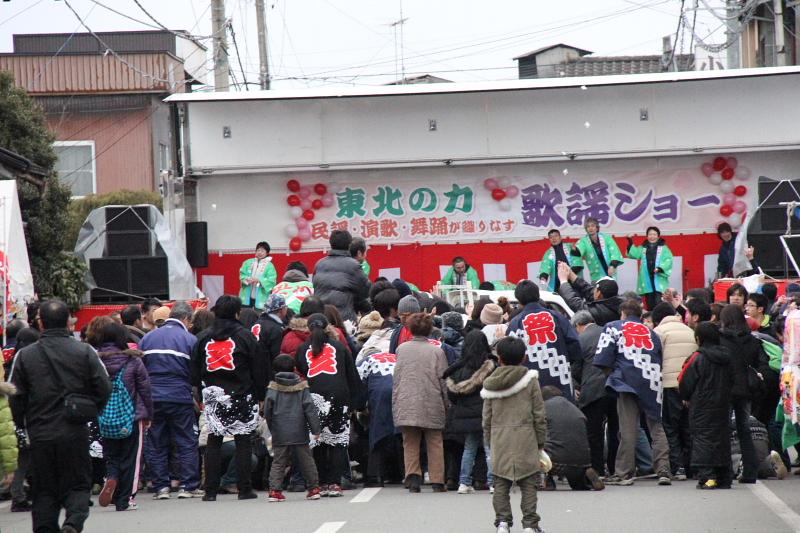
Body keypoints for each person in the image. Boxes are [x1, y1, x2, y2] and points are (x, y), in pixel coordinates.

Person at [9, 299, 111, 533]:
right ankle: (73, 522)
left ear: (40, 323)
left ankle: (46, 528)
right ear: (68, 322)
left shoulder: (25, 356)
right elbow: (104, 386)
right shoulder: (84, 351)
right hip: (74, 430)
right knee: (77, 484)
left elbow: (15, 395)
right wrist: (91, 408)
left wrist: (22, 425)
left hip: (40, 432)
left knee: (44, 489)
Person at [192, 295, 265, 501]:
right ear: (237, 312)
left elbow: (195, 368)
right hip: (242, 393)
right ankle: (244, 488)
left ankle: (210, 491)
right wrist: (260, 395)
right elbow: (258, 367)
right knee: (243, 441)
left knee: (214, 440)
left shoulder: (203, 337)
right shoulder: (245, 336)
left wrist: (198, 390)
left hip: (213, 394)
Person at [594, 299, 672, 486]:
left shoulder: (613, 327)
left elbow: (601, 358)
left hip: (626, 381)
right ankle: (663, 470)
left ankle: (625, 473)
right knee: (656, 425)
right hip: (652, 379)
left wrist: (614, 377)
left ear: (622, 313)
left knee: (628, 428)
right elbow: (659, 358)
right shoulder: (652, 333)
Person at [481, 337, 546, 533]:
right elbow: (539, 414)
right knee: (529, 483)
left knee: (500, 481)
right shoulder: (530, 381)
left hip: (499, 438)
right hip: (526, 436)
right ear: (524, 357)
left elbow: (487, 418)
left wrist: (489, 440)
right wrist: (540, 441)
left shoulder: (490, 384)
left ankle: (502, 522)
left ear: (499, 358)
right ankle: (530, 524)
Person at [139, 301, 203, 500]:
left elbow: (140, 369)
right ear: (186, 319)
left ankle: (161, 487)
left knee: (156, 442)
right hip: (180, 396)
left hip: (153, 396)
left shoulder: (147, 338)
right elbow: (195, 372)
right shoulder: (189, 339)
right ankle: (188, 485)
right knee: (186, 441)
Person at [295, 313, 361, 498]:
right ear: (327, 327)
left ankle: (321, 482)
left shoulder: (302, 349)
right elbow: (351, 374)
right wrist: (357, 402)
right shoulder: (339, 347)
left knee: (318, 441)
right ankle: (335, 483)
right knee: (338, 440)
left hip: (314, 397)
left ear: (308, 328)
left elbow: (301, 368)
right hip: (339, 396)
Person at [95, 322, 153, 512]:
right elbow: (145, 390)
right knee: (131, 458)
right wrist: (149, 414)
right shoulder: (133, 361)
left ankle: (111, 477)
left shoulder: (95, 360)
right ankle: (125, 499)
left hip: (105, 415)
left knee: (112, 456)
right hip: (131, 416)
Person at [392, 313, 449, 493]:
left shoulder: (402, 349)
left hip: (406, 399)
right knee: (435, 441)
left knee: (410, 442)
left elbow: (397, 377)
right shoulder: (437, 351)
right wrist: (447, 402)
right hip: (431, 399)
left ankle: (413, 478)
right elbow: (443, 380)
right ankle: (438, 480)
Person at [678, 322, 734, 489]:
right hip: (723, 404)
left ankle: (708, 477)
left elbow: (684, 381)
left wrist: (685, 396)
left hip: (702, 404)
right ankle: (724, 477)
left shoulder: (697, 357)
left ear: (698, 338)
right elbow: (733, 378)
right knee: (722, 438)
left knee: (702, 438)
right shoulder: (727, 356)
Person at [443, 330, 497, 495]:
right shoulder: (490, 366)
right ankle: (493, 482)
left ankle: (464, 482)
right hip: (487, 412)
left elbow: (452, 396)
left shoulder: (457, 369)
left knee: (469, 447)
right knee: (489, 447)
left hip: (466, 415)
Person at [507, 280, 581, 398]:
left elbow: (510, 354)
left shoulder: (515, 324)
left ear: (519, 300)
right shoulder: (557, 317)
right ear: (538, 295)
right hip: (560, 374)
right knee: (564, 411)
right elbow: (575, 344)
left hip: (530, 380)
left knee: (537, 413)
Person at [265, 354, 322, 502]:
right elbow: (310, 408)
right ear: (294, 368)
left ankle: (275, 491)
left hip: (280, 430)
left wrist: (272, 428)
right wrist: (316, 429)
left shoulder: (272, 388)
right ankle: (314, 488)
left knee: (278, 461)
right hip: (299, 429)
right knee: (306, 460)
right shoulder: (302, 387)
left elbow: (267, 411)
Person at [652, 302, 697, 480]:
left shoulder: (659, 332)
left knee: (670, 427)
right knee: (687, 427)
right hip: (689, 386)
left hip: (668, 385)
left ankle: (676, 467)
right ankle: (691, 466)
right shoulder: (689, 331)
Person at [570, 311, 619, 478]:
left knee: (594, 432)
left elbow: (576, 367)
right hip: (615, 387)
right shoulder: (609, 333)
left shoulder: (581, 339)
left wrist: (578, 384)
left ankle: (597, 469)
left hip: (593, 390)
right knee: (616, 430)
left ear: (578, 325)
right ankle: (615, 468)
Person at [718, 304, 761, 483]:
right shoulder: (752, 340)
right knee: (744, 429)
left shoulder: (721, 338)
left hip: (725, 387)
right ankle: (751, 471)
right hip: (745, 389)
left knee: (724, 430)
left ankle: (726, 472)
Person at [540, 386, 604, 491]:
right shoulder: (576, 409)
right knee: (575, 478)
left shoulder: (542, 408)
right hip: (583, 461)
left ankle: (546, 480)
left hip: (554, 461)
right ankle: (584, 479)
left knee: (532, 444)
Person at [313, 230, 371, 323]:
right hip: (344, 320)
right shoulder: (353, 265)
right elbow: (365, 291)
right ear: (349, 244)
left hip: (321, 318)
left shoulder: (319, 264)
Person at [557, 263, 622, 327]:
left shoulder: (600, 312)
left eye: (595, 289)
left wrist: (563, 281)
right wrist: (571, 274)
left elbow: (575, 303)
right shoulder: (615, 302)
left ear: (598, 293)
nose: (593, 291)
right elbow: (587, 290)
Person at [626, 227, 674, 311]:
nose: (652, 236)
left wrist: (660, 268)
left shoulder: (664, 248)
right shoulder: (643, 248)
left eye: (654, 234)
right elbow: (634, 254)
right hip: (647, 277)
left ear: (658, 236)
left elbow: (668, 260)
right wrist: (630, 240)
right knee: (649, 300)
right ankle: (651, 318)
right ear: (647, 236)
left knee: (659, 300)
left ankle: (659, 317)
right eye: (650, 234)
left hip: (658, 277)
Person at [573, 217, 623, 282]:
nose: (590, 228)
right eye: (588, 226)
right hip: (596, 276)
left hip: (610, 271)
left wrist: (613, 265)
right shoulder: (583, 241)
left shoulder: (607, 238)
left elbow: (615, 253)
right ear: (586, 229)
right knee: (597, 291)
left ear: (597, 228)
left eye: (593, 226)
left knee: (611, 290)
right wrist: (575, 250)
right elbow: (579, 250)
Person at [253, 294, 289, 381]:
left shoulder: (256, 323)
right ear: (281, 310)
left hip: (253, 371)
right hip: (267, 375)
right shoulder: (276, 329)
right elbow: (276, 356)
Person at [239, 241, 278, 311]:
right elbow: (242, 274)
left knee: (259, 318)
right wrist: (247, 279)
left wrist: (259, 280)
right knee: (245, 316)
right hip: (247, 296)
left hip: (261, 298)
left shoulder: (270, 266)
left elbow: (272, 281)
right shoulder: (248, 262)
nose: (260, 252)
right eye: (258, 250)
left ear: (267, 253)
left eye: (262, 251)